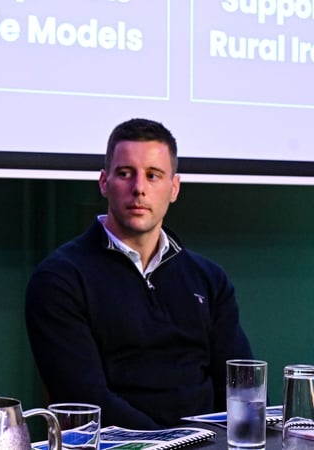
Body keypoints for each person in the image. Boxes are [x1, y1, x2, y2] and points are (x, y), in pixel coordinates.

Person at [25, 118, 253, 429]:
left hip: (207, 442)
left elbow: (237, 385)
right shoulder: (60, 279)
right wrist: (166, 442)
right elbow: (82, 397)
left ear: (174, 188)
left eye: (153, 175)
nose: (139, 189)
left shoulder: (209, 279)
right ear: (104, 182)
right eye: (125, 174)